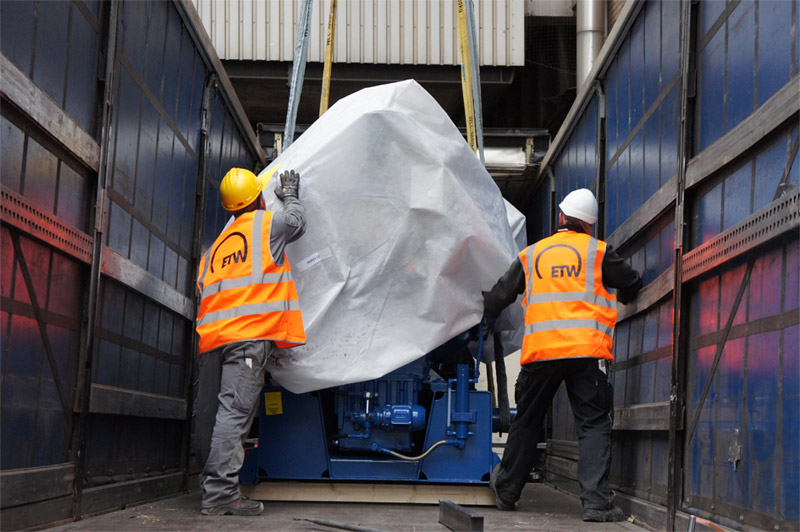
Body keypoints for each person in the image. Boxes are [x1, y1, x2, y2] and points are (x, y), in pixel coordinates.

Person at [484, 188, 641, 522]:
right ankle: (596, 504)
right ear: (589, 225)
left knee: (526, 422)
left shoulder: (532, 254)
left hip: (542, 352)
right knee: (593, 424)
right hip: (587, 352)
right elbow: (631, 282)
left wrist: (484, 310)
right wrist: (625, 295)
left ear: (560, 218)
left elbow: (499, 296)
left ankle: (507, 493)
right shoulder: (598, 252)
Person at [193, 167, 306, 516]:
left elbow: (203, 289)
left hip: (214, 341)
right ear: (258, 197)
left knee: (214, 416)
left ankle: (211, 485)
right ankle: (220, 495)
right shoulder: (266, 225)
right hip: (246, 341)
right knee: (234, 416)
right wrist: (290, 193)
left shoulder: (215, 249)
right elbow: (297, 222)